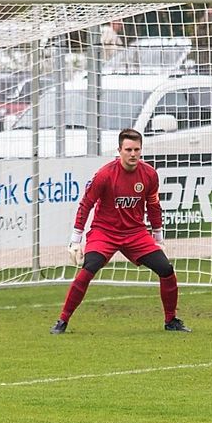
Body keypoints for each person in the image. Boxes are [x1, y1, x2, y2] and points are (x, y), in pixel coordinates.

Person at [50, 128, 191, 334]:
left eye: (136, 149)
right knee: (89, 268)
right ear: (119, 150)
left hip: (135, 234)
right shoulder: (105, 175)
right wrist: (75, 240)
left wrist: (158, 237)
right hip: (104, 232)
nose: (133, 154)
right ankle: (62, 321)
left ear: (141, 150)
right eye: (128, 149)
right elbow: (86, 204)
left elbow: (153, 206)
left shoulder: (149, 174)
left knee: (166, 270)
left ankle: (171, 320)